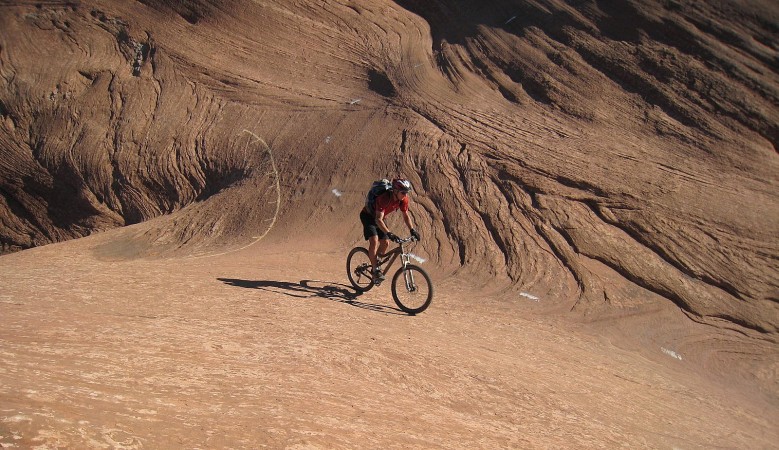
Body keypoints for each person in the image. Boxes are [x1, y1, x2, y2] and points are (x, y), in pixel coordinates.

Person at [360, 178, 421, 283]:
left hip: (380, 219)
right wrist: (389, 233)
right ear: (396, 191)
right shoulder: (384, 198)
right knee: (374, 240)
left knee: (386, 243)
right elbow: (378, 220)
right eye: (403, 192)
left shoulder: (403, 200)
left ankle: (376, 262)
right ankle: (375, 270)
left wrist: (412, 230)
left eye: (406, 193)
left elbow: (406, 216)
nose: (405, 195)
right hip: (368, 216)